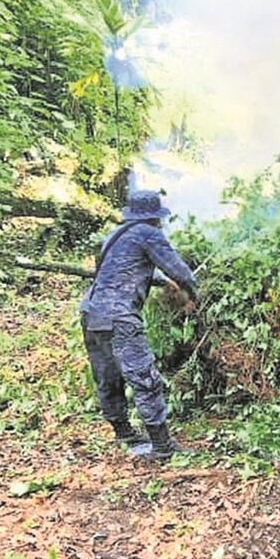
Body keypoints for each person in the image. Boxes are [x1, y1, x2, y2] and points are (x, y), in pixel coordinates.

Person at [80, 190, 197, 460]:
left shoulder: (115, 235)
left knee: (107, 377)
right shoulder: (149, 233)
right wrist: (195, 295)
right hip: (119, 316)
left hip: (91, 312)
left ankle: (124, 433)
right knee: (144, 378)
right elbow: (179, 270)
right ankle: (162, 447)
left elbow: (118, 269)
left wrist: (160, 282)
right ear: (155, 217)